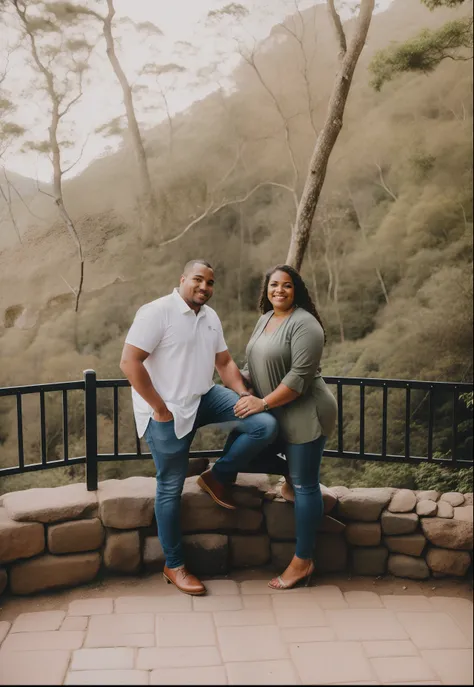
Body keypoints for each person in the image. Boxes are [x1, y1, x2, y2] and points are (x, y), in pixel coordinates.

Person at [119, 259, 278, 596]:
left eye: (210, 283)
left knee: (263, 424)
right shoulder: (156, 312)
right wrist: (159, 408)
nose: (204, 287)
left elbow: (223, 362)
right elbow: (129, 362)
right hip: (166, 412)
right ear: (182, 279)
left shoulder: (209, 317)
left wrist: (244, 395)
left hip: (204, 397)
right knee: (169, 487)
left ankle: (217, 476)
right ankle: (174, 565)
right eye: (198, 280)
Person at [233, 264, 337, 590]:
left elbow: (297, 381)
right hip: (277, 412)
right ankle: (291, 475)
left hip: (306, 411)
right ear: (267, 288)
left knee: (306, 486)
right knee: (239, 449)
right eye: (274, 284)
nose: (279, 290)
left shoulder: (306, 325)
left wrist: (261, 404)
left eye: (287, 285)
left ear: (297, 290)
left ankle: (303, 561)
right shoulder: (265, 319)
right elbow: (252, 365)